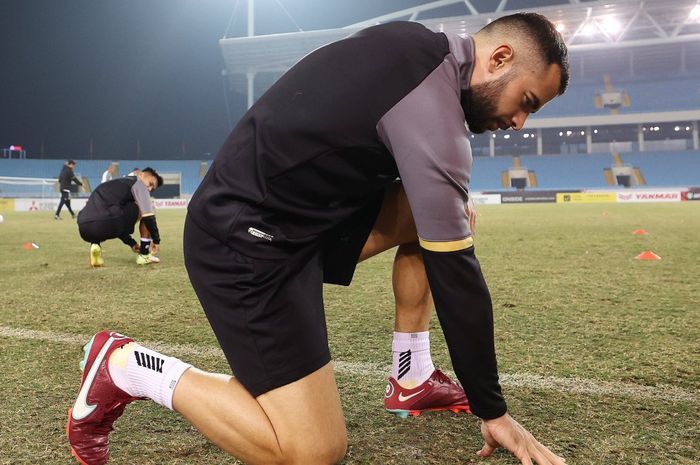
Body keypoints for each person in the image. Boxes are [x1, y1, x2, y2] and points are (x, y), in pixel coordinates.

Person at [67, 13, 569, 465]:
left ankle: (410, 375)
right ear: (499, 58)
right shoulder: (432, 103)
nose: (519, 122)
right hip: (242, 242)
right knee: (313, 451)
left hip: (299, 221)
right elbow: (458, 278)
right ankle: (126, 367)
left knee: (447, 214)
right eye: (525, 101)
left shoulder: (418, 47)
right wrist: (493, 409)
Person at [76, 167, 164, 267]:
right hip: (108, 222)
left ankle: (95, 245)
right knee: (148, 208)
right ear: (141, 175)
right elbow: (148, 216)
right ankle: (144, 255)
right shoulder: (138, 183)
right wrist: (156, 240)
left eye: (152, 189)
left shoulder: (116, 184)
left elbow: (111, 217)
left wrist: (131, 243)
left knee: (105, 213)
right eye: (150, 184)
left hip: (84, 227)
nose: (149, 189)